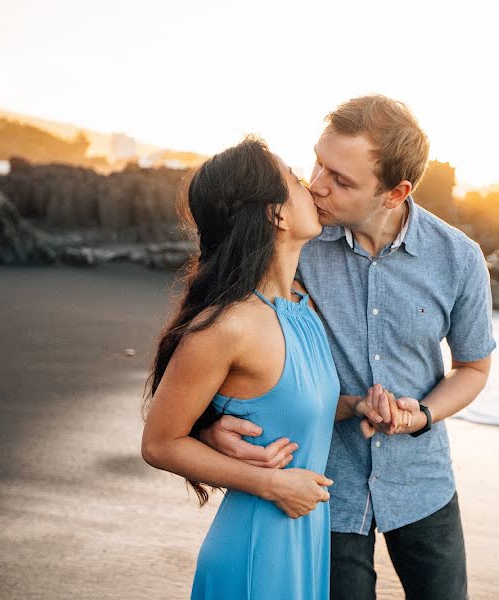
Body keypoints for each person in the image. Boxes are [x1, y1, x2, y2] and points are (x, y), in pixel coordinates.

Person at [201, 95, 496, 600]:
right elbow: (216, 333)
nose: (316, 184)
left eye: (341, 179)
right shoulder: (294, 238)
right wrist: (208, 424)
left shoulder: (459, 259)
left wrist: (420, 414)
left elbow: (472, 368)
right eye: (319, 161)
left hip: (422, 483)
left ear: (395, 192)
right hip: (321, 486)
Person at [140, 136, 343, 600]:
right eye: (295, 178)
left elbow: (289, 407)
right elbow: (159, 442)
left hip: (303, 540)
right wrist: (270, 482)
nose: (310, 186)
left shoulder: (301, 309)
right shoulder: (228, 326)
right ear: (277, 214)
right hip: (258, 550)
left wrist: (365, 406)